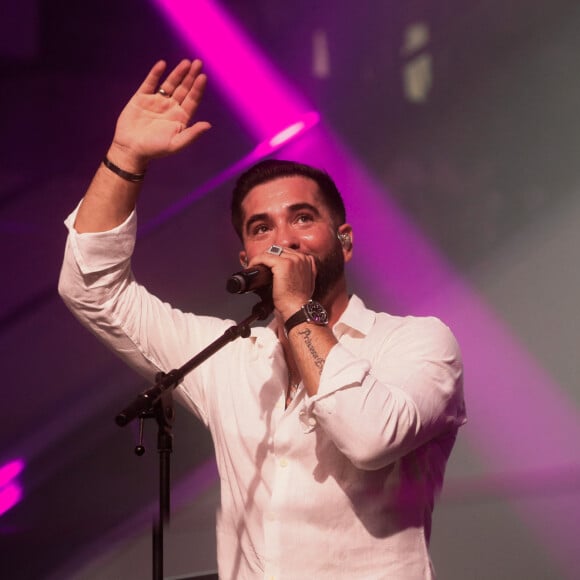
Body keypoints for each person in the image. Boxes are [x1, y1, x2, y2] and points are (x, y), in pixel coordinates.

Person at [59, 59, 466, 580]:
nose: (285, 240)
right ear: (246, 260)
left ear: (343, 239)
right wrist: (125, 157)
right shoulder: (229, 355)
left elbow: (369, 438)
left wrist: (297, 306)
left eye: (302, 218)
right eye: (261, 228)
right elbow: (91, 289)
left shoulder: (418, 341)